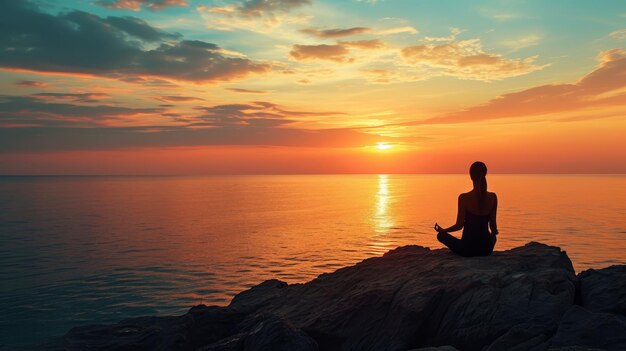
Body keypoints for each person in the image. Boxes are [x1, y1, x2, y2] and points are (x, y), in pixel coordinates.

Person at [434, 161, 498, 256]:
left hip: (467, 249)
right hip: (486, 249)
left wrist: (443, 230)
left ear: (470, 176)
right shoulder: (493, 197)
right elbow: (493, 227)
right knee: (493, 237)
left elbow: (459, 226)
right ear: (485, 174)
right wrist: (493, 233)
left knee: (441, 236)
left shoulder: (463, 198)